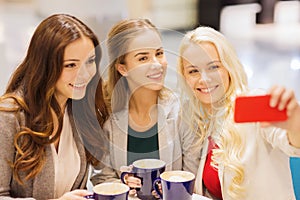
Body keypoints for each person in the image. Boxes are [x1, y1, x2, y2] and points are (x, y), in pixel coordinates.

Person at [177, 26, 300, 200]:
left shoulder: (253, 104)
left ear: (229, 67)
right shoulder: (198, 118)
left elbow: (294, 144)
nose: (204, 78)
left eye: (213, 67)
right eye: (193, 71)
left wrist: (295, 124)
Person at [0, 14, 108, 199]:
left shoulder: (80, 109)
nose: (84, 74)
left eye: (90, 61)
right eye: (71, 65)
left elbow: (101, 172)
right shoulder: (9, 117)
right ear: (45, 67)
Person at [90, 18, 200, 195]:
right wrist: (123, 183)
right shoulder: (107, 117)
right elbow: (102, 178)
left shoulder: (182, 112)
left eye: (159, 53)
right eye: (143, 58)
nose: (157, 64)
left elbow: (191, 179)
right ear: (123, 68)